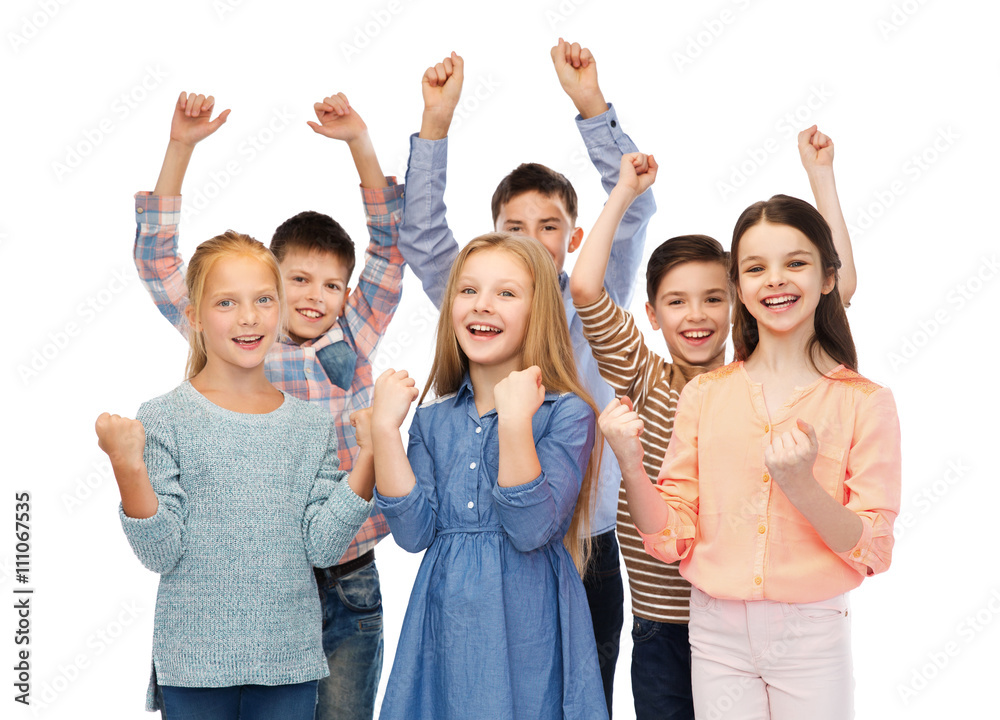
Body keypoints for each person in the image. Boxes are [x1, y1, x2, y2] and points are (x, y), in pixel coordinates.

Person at [399, 41, 655, 712]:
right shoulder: (482, 301)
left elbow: (631, 218)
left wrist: (591, 107)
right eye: (515, 227)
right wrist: (435, 125)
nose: (531, 239)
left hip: (585, 539)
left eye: (550, 226)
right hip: (484, 557)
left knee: (579, 694)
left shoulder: (591, 301)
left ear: (575, 239)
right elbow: (423, 235)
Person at [132, 90, 404, 719]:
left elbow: (390, 249)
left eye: (332, 284)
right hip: (257, 579)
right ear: (268, 289)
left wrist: (360, 144)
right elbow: (160, 264)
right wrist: (180, 148)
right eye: (297, 282)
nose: (315, 298)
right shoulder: (245, 341)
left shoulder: (354, 335)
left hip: (348, 573)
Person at [570, 127, 856, 719]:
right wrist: (623, 191)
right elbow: (586, 287)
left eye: (713, 299)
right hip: (659, 624)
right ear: (651, 313)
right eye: (676, 302)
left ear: (741, 301)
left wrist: (821, 182)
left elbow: (836, 289)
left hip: (736, 613)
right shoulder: (645, 374)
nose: (696, 316)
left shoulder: (755, 382)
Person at [95, 231, 376, 718]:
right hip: (193, 664)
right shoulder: (164, 418)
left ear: (280, 306)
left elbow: (323, 547)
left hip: (289, 663)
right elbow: (160, 551)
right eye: (227, 302)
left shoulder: (311, 425)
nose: (249, 317)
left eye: (264, 300)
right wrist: (128, 468)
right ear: (196, 317)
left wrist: (370, 456)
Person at [370, 233, 609, 720]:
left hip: (529, 626)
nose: (483, 306)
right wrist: (383, 431)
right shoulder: (432, 419)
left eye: (506, 293)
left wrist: (516, 421)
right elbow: (413, 534)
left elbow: (530, 529)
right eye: (468, 290)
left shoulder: (567, 414)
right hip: (446, 625)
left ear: (537, 310)